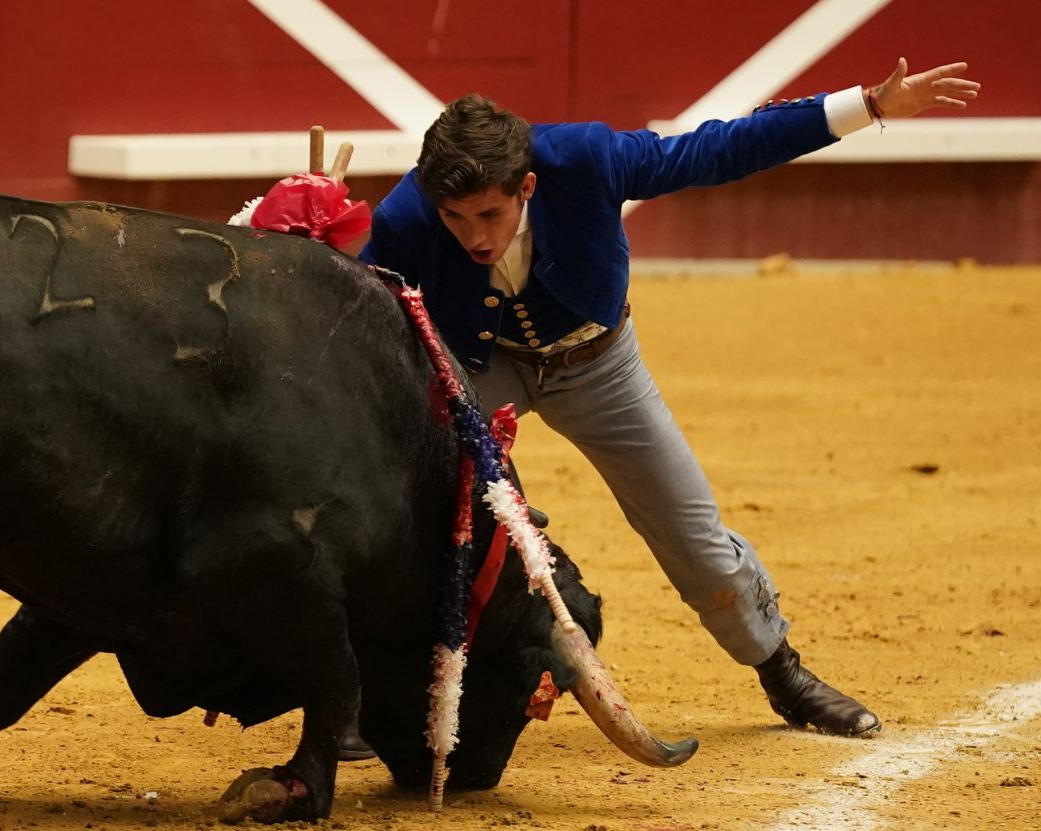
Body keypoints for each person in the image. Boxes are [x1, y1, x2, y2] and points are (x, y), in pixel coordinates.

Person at [357, 58, 979, 745]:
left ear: (526, 186)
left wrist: (867, 106)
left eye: (489, 214)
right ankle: (366, 692)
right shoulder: (408, 216)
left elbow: (716, 149)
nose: (474, 235)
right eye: (454, 218)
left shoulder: (585, 160)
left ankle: (781, 671)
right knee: (406, 511)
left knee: (692, 534)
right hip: (484, 370)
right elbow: (358, 304)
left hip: (598, 366)